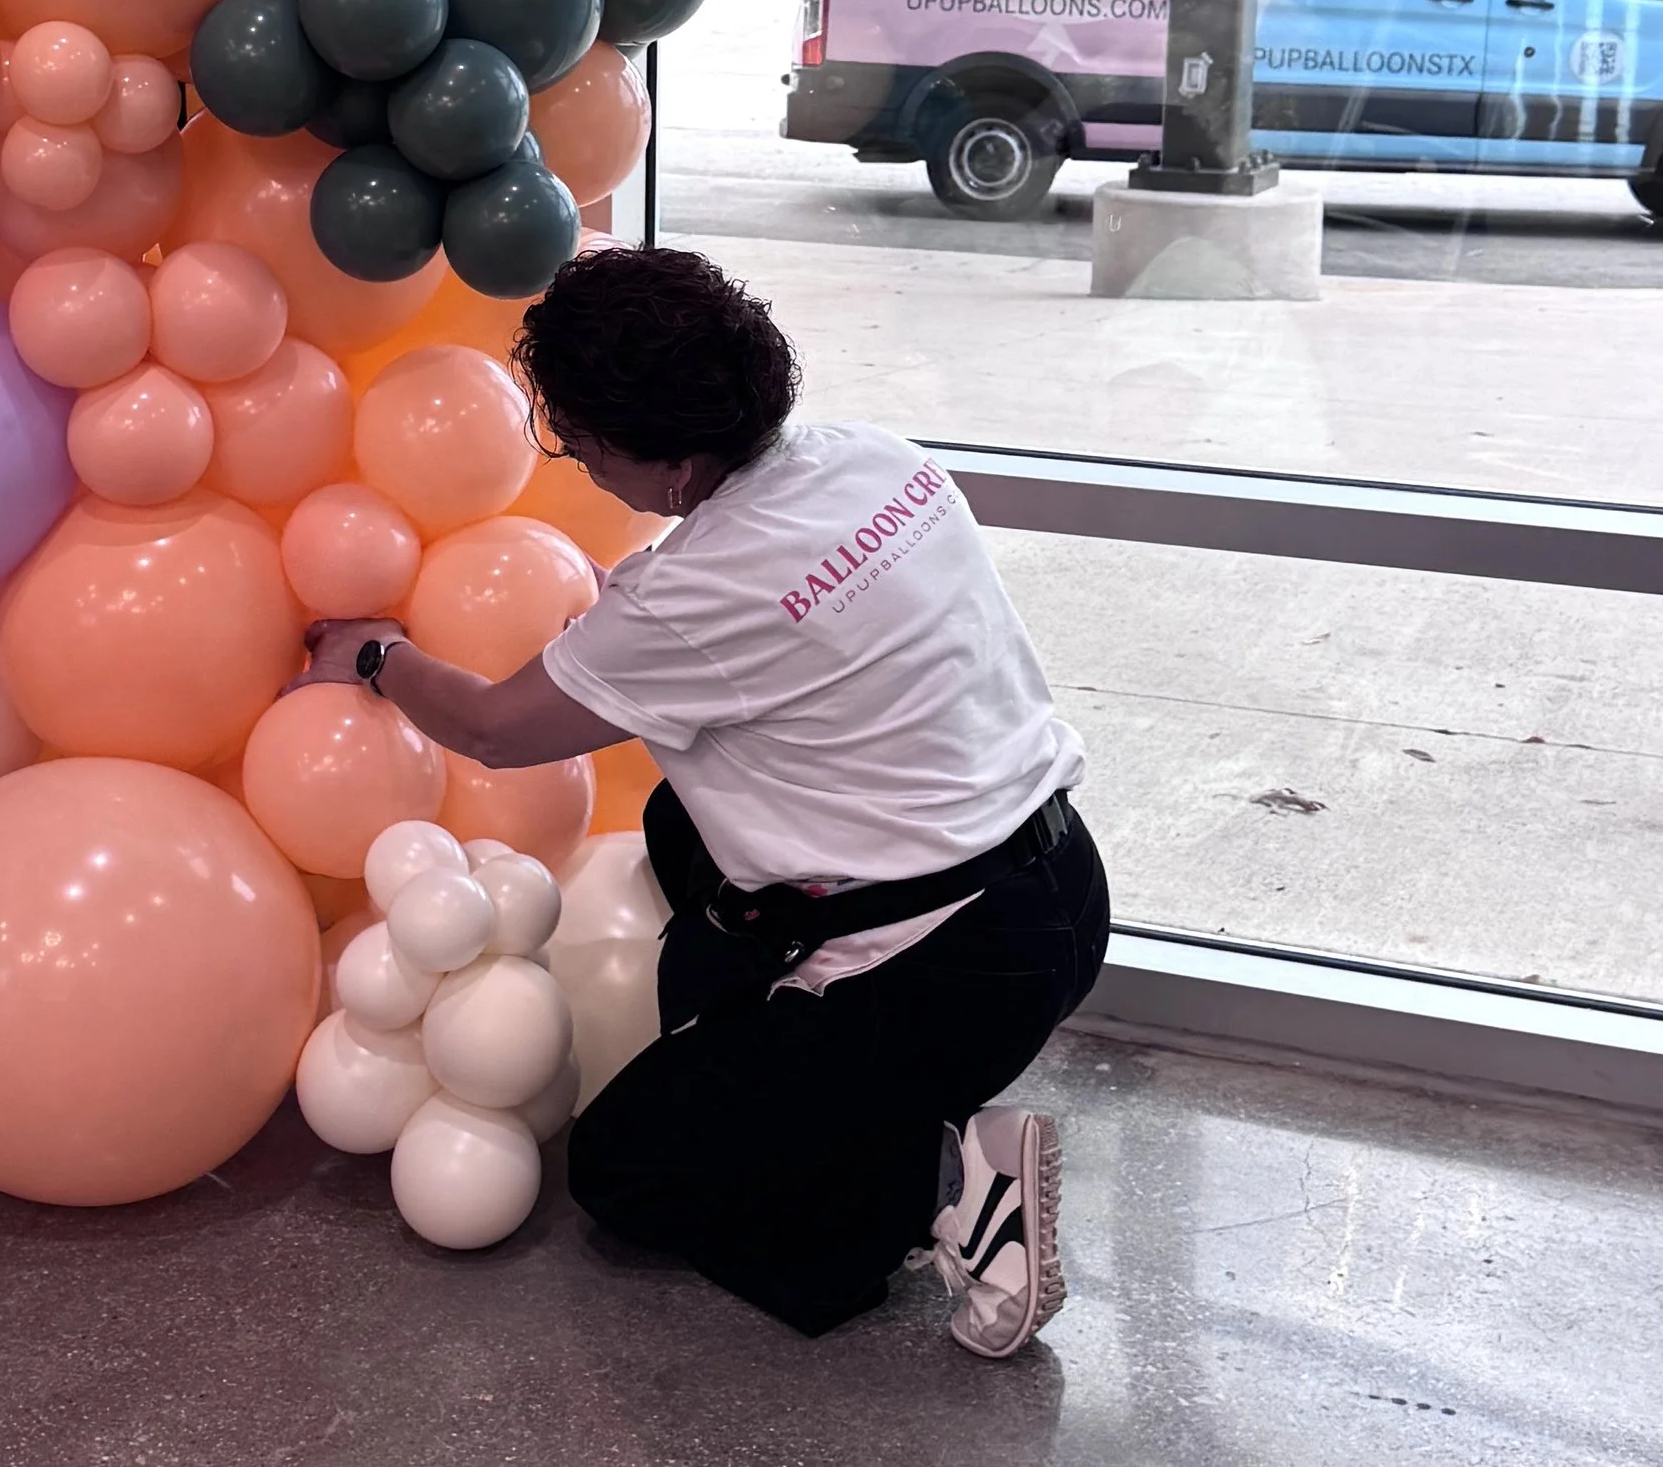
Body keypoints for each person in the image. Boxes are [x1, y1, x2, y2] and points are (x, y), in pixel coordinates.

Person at [295, 245, 1106, 1354]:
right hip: (1061, 882)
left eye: (580, 448)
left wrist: (379, 655)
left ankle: (950, 1183)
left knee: (626, 1172)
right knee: (680, 819)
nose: (577, 466)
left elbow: (492, 726)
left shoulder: (684, 598)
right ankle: (830, 1070)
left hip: (945, 973)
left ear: (670, 465)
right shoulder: (878, 460)